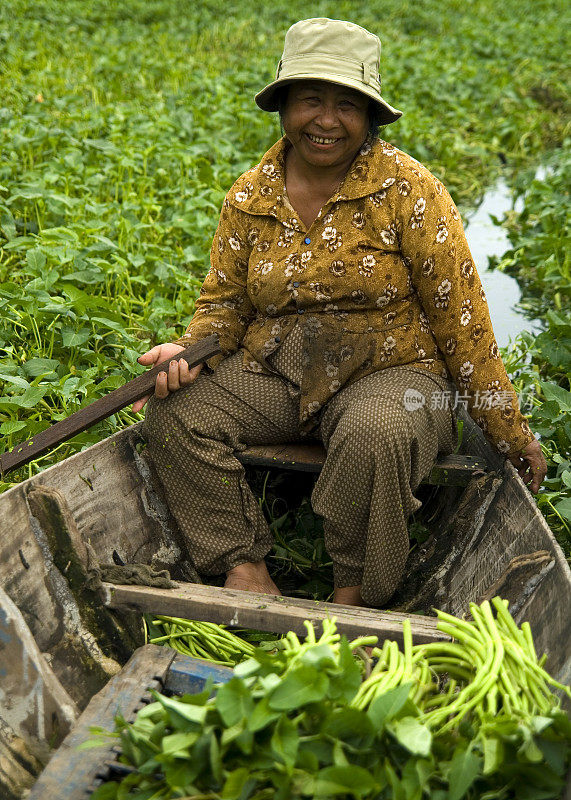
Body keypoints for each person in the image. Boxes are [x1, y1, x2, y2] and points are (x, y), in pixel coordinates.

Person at [135, 18, 547, 607]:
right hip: (279, 371)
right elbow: (225, 304)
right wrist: (190, 349)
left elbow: (464, 324)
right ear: (283, 106)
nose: (326, 121)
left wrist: (507, 429)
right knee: (177, 414)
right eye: (310, 100)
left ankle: (354, 596)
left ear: (369, 117)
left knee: (375, 430)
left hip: (395, 373)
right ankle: (245, 569)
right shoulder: (251, 195)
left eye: (346, 106)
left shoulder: (410, 191)